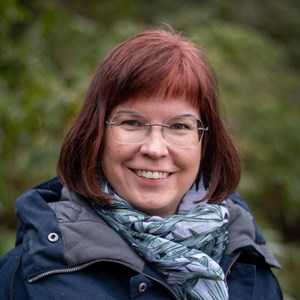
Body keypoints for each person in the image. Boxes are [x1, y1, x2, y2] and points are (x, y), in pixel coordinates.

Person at [0, 29, 282, 300]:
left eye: (179, 126)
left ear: (204, 142)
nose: (155, 149)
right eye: (132, 123)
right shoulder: (32, 278)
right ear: (96, 133)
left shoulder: (249, 264)